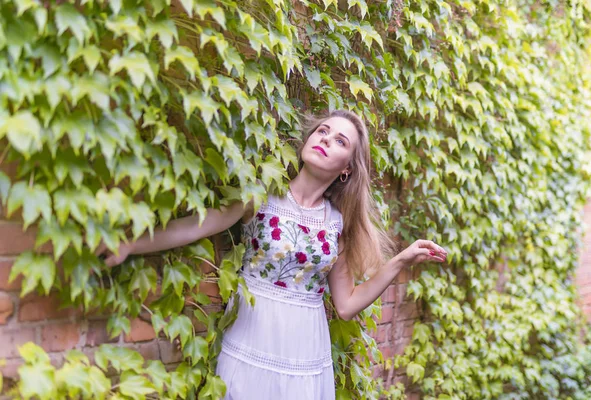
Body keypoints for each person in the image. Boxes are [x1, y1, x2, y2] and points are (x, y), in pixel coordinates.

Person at [98, 110, 447, 399]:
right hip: (250, 341)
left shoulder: (337, 224)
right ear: (307, 140)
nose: (326, 138)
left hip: (306, 354)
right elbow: (195, 226)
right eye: (323, 131)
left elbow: (346, 305)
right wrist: (131, 245)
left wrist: (399, 261)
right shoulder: (262, 194)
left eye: (340, 140)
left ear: (347, 169)